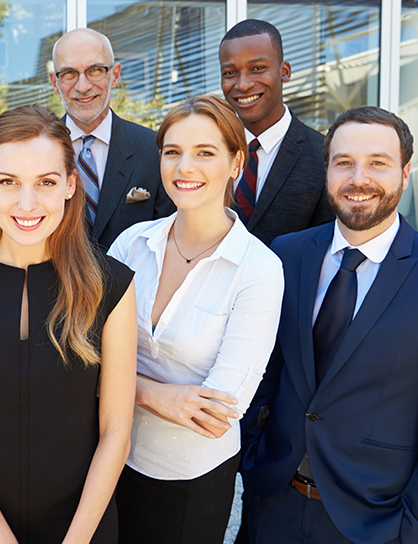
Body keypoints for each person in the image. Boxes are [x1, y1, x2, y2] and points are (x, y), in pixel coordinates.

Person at [0, 104, 137, 543]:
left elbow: (116, 434)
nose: (26, 203)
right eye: (8, 182)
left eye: (45, 182)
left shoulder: (111, 285)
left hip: (82, 526)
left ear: (70, 185)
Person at [240, 107, 418, 544]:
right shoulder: (287, 255)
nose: (358, 178)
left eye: (377, 163)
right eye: (343, 162)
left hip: (375, 522)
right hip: (272, 506)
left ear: (404, 173)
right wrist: (251, 455)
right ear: (325, 170)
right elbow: (264, 367)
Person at [108, 95, 284, 544]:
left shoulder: (258, 269)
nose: (185, 167)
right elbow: (84, 356)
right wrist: (158, 396)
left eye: (205, 152)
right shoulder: (131, 244)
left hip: (189, 480)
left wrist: (122, 382)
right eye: (173, 152)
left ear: (235, 162)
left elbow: (217, 412)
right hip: (109, 459)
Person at [49, 28, 175, 250]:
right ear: (54, 82)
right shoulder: (37, 150)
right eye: (69, 73)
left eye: (95, 70)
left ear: (115, 75)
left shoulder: (154, 149)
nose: (83, 86)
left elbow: (168, 239)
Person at [219, 19, 333, 246]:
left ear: (285, 72)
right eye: (230, 72)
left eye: (257, 69)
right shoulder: (208, 149)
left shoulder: (324, 156)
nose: (242, 85)